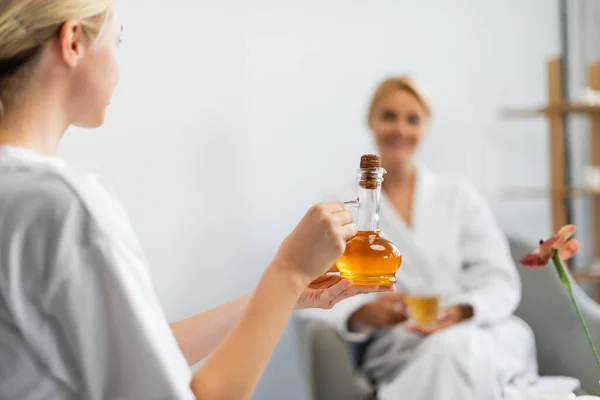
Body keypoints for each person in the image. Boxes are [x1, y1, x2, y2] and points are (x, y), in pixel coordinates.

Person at [0, 2, 392, 399]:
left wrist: (287, 293)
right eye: (117, 41)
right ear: (71, 42)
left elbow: (139, 353)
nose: (120, 64)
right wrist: (288, 270)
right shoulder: (65, 205)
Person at [318, 75, 579, 399]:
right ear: (370, 121)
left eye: (412, 119)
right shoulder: (340, 207)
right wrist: (363, 311)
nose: (400, 128)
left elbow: (499, 279)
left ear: (425, 126)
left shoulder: (458, 197)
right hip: (403, 341)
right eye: (389, 116)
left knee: (466, 347)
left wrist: (464, 310)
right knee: (455, 353)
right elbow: (316, 284)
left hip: (479, 327)